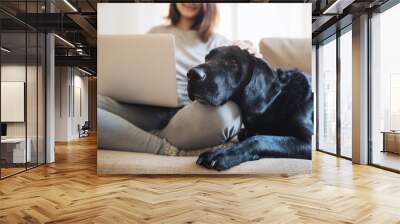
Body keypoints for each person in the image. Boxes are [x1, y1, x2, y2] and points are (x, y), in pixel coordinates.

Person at [98, 3, 256, 156]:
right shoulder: (156, 32)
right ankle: (163, 147)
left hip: (189, 114)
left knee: (227, 114)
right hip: (145, 110)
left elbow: (243, 65)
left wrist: (249, 51)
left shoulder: (218, 41)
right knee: (91, 105)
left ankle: (136, 136)